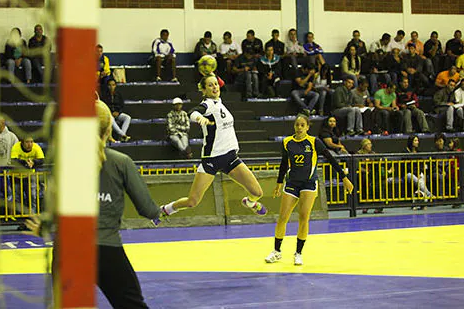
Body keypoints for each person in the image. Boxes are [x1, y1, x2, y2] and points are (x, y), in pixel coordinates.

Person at [26, 100, 161, 308]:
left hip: (67, 251)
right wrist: (164, 210)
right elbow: (148, 209)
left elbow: (53, 207)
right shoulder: (121, 162)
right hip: (105, 249)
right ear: (109, 129)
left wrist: (43, 227)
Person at [155, 74, 267, 223]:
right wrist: (198, 118)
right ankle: (165, 209)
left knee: (257, 192)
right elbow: (193, 112)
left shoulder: (220, 103)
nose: (214, 87)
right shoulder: (207, 104)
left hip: (231, 158)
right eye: (210, 85)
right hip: (212, 160)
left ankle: (250, 202)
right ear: (203, 89)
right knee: (192, 202)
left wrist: (213, 74)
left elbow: (221, 82)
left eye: (215, 84)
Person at [265, 114, 353, 265]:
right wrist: (279, 183)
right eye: (297, 125)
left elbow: (330, 158)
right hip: (292, 183)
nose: (299, 128)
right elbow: (284, 163)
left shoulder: (313, 142)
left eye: (302, 125)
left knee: (303, 218)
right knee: (282, 218)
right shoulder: (287, 142)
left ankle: (298, 253)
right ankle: (277, 251)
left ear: (307, 127)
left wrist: (343, 177)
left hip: (308, 184)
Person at [10, 135, 45, 213]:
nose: (30, 144)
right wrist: (25, 163)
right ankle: (18, 214)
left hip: (30, 176)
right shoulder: (16, 147)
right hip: (16, 176)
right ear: (22, 143)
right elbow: (13, 160)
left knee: (32, 196)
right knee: (17, 197)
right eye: (27, 142)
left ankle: (32, 214)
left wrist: (34, 162)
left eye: (31, 142)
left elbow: (42, 159)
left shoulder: (36, 147)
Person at [403, 135, 430, 210]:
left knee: (421, 179)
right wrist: (416, 173)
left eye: (417, 140)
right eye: (415, 140)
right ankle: (428, 195)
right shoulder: (405, 151)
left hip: (418, 173)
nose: (417, 142)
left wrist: (419, 173)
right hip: (408, 173)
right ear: (411, 142)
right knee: (417, 179)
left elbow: (421, 164)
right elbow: (406, 166)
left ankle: (421, 202)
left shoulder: (419, 152)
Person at [357, 138, 384, 214]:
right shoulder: (358, 154)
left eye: (370, 144)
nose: (370, 145)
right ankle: (366, 204)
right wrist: (365, 171)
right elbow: (357, 166)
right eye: (368, 144)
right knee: (367, 182)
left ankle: (378, 206)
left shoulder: (373, 154)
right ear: (364, 146)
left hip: (373, 175)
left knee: (377, 184)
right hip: (363, 175)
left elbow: (379, 161)